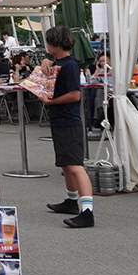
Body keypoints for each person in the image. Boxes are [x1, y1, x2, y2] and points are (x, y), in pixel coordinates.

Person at [39, 25, 93, 229]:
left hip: (69, 120)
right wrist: (46, 60)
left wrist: (50, 102)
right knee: (65, 163)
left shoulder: (69, 65)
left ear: (54, 44)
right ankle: (71, 201)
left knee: (75, 165)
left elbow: (75, 94)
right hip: (62, 120)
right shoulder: (61, 62)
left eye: (48, 42)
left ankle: (87, 211)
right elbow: (49, 63)